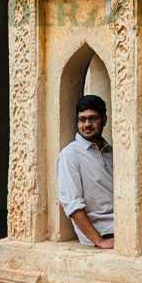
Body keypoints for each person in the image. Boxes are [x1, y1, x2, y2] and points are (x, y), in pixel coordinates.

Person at [56, 94, 115, 249]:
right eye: (82, 119)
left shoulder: (112, 153)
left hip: (122, 228)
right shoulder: (70, 155)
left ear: (104, 120)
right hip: (103, 233)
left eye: (93, 118)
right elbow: (73, 204)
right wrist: (99, 241)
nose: (87, 124)